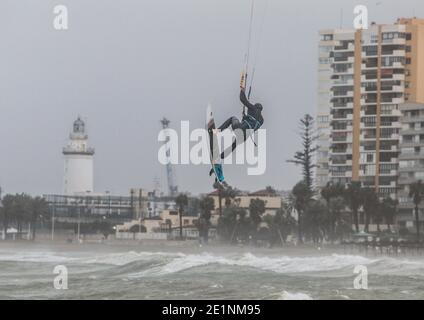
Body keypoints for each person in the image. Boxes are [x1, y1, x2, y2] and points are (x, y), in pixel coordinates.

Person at [218, 88, 264, 159]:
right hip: (245, 136)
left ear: (255, 106)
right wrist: (244, 117)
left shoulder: (253, 108)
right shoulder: (261, 121)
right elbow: (250, 124)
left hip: (240, 129)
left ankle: (217, 131)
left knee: (232, 118)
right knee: (234, 145)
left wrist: (242, 90)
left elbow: (242, 99)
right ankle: (221, 157)